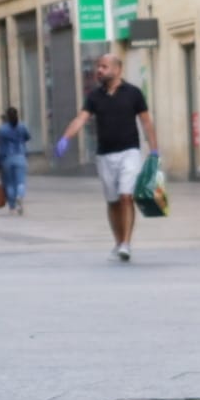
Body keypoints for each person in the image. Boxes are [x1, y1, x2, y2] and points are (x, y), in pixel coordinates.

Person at [57, 53, 160, 261]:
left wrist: (154, 151)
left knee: (126, 196)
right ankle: (118, 241)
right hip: (104, 156)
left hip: (129, 152)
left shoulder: (134, 93)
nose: (99, 70)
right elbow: (80, 119)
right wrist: (65, 138)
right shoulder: (94, 96)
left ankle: (126, 244)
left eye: (104, 67)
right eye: (98, 67)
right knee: (112, 201)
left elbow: (146, 122)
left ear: (117, 69)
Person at [0, 107, 32, 216]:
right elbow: (27, 137)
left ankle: (12, 207)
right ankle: (20, 196)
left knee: (9, 183)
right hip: (20, 156)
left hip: (7, 158)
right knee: (20, 182)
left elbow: (0, 149)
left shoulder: (1, 130)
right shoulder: (22, 126)